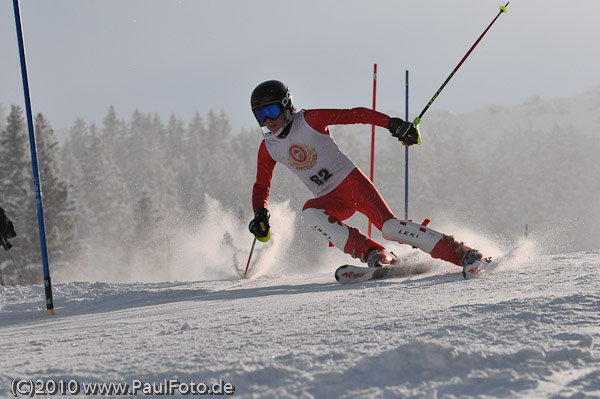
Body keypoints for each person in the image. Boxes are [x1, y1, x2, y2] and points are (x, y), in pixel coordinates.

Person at [248, 80, 483, 272]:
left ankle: (462, 253)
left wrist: (392, 124)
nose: (268, 120)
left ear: (287, 105)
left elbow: (355, 115)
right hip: (330, 199)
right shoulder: (268, 147)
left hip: (351, 184)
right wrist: (260, 212)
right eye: (261, 115)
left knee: (390, 227)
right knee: (310, 212)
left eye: (271, 111)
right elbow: (261, 185)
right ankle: (374, 253)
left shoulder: (309, 120)